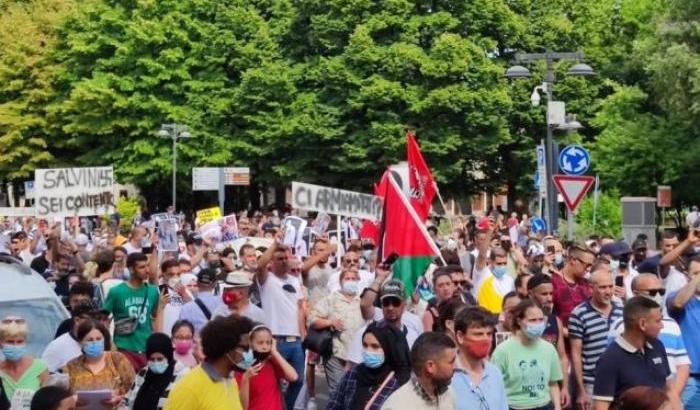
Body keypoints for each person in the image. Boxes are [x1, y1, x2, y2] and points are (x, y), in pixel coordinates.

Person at [609, 274, 690, 405]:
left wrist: (668, 401)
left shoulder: (672, 325)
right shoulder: (621, 325)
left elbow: (682, 366)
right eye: (652, 292)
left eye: (661, 291)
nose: (658, 296)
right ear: (636, 294)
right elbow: (613, 367)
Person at [592, 297, 673, 410]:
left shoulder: (658, 346)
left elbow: (669, 390)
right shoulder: (610, 360)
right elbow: (600, 406)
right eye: (658, 321)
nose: (662, 326)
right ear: (642, 324)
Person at [163, 315, 255, 410]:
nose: (249, 353)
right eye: (245, 348)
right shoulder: (189, 389)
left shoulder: (231, 382)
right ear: (227, 348)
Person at [254, 242, 305, 410]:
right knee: (274, 382)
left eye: (285, 258)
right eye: (279, 258)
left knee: (297, 380)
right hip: (276, 341)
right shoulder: (266, 279)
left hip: (296, 341)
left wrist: (302, 334)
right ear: (272, 262)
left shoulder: (295, 280)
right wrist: (274, 244)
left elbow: (299, 309)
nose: (284, 261)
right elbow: (260, 264)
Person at [491, 300, 563, 410]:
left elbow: (553, 384)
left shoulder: (549, 349)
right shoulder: (503, 351)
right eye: (532, 320)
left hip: (544, 405)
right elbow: (494, 387)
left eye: (540, 320)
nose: (538, 324)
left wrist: (557, 407)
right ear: (519, 321)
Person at [568, 269, 624, 409]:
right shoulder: (579, 314)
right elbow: (576, 354)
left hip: (621, 382)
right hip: (593, 383)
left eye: (610, 286)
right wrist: (581, 390)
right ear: (591, 288)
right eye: (603, 287)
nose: (608, 291)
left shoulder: (621, 310)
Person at [327, 322, 411, 410]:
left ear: (388, 349)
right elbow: (334, 404)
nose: (368, 351)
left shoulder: (397, 384)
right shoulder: (353, 374)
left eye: (375, 346)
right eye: (365, 345)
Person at [309, 269, 366, 393]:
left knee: (354, 393)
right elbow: (312, 320)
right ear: (340, 281)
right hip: (336, 355)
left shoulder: (363, 301)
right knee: (337, 393)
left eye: (353, 279)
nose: (350, 281)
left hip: (358, 358)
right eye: (347, 278)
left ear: (358, 281)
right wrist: (329, 322)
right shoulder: (331, 299)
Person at [103, 252, 160, 371]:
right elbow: (103, 319)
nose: (147, 270)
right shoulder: (116, 291)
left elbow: (154, 318)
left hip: (146, 348)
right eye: (142, 267)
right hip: (124, 348)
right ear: (131, 269)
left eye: (147, 266)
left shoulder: (153, 291)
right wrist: (110, 344)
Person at [63, 320, 135, 406]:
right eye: (90, 340)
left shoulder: (117, 360)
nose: (94, 343)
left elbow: (135, 390)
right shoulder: (71, 367)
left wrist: (118, 399)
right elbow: (62, 399)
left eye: (98, 339)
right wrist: (73, 401)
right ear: (81, 342)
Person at [350, 278, 422, 364]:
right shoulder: (365, 334)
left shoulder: (412, 336)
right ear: (381, 305)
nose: (390, 308)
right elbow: (350, 368)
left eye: (396, 303)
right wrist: (379, 278)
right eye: (386, 302)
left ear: (404, 306)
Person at [380, 332, 457, 410]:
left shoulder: (448, 394)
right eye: (451, 362)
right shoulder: (396, 406)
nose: (455, 367)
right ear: (430, 366)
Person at [452, 307, 508, 410]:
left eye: (489, 334)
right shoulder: (447, 375)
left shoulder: (495, 373)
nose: (486, 339)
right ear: (460, 336)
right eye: (479, 334)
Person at [527, 275, 570, 407]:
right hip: (527, 388)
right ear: (530, 294)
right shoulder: (521, 321)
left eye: (551, 293)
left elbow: (562, 357)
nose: (549, 298)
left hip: (552, 387)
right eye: (544, 294)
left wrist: (564, 387)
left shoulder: (555, 320)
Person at [234, 325, 298, 410]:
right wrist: (246, 379)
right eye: (260, 343)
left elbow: (294, 377)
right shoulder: (242, 368)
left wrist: (275, 352)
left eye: (268, 343)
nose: (264, 347)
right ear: (251, 343)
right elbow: (242, 407)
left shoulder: (272, 363)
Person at [120, 333, 186, 410]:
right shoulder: (143, 373)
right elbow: (127, 401)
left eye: (160, 359)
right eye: (152, 359)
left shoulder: (182, 376)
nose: (155, 363)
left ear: (169, 356)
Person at [668, 255, 700, 410]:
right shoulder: (676, 296)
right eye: (695, 273)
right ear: (687, 275)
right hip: (690, 378)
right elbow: (678, 303)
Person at [0, 316, 48, 408]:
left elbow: (47, 403)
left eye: (19, 342)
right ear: (1, 343)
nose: (15, 345)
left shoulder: (39, 367)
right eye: (10, 342)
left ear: (25, 342)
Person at [42, 303, 96, 373]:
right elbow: (42, 377)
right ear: (77, 320)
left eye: (96, 320)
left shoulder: (97, 343)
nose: (94, 324)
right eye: (90, 320)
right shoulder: (58, 346)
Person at [551, 244, 595, 328]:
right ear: (573, 260)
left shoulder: (587, 284)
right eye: (587, 265)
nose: (589, 269)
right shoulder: (553, 282)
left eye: (591, 266)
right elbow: (546, 317)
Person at [178, 268, 223, 335]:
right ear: (215, 284)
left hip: (197, 343)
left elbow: (183, 332)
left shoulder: (187, 308)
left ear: (197, 283)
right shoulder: (224, 303)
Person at [475, 248, 516, 314]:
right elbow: (481, 256)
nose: (502, 266)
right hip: (485, 318)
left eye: (505, 263)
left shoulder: (510, 280)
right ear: (491, 261)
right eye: (499, 264)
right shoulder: (482, 274)